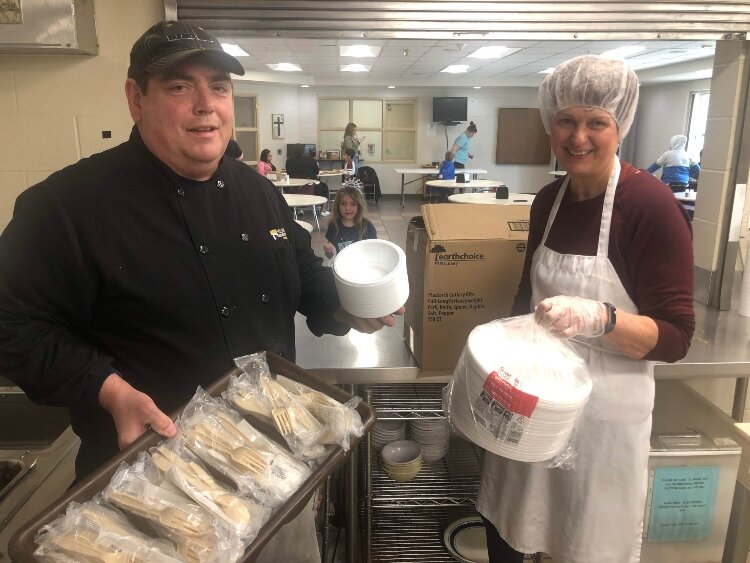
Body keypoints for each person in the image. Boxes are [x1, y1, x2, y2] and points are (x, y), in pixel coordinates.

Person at [0, 20, 404, 563]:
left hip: (275, 471)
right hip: (150, 499)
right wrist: (107, 387)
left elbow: (301, 275)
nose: (205, 105)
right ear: (134, 98)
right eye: (178, 86)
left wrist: (350, 306)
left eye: (218, 85)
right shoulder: (66, 208)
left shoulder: (258, 192)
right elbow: (12, 325)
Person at [477, 55, 695, 563]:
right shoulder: (548, 199)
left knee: (581, 545)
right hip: (535, 409)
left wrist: (601, 317)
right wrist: (495, 363)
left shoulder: (650, 205)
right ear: (550, 124)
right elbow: (523, 298)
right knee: (508, 530)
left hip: (603, 422)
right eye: (566, 121)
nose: (579, 137)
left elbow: (677, 337)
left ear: (620, 126)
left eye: (597, 122)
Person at [323, 185, 377, 259]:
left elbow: (374, 251)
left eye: (353, 204)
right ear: (338, 205)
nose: (347, 208)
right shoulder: (333, 226)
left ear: (359, 206)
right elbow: (330, 256)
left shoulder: (368, 226)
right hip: (341, 267)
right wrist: (328, 251)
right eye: (343, 204)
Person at [286, 143, 331, 215]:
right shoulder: (310, 159)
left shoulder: (289, 161)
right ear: (303, 150)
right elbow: (316, 172)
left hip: (295, 189)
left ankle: (298, 209)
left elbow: (288, 173)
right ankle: (323, 210)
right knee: (324, 187)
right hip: (311, 188)